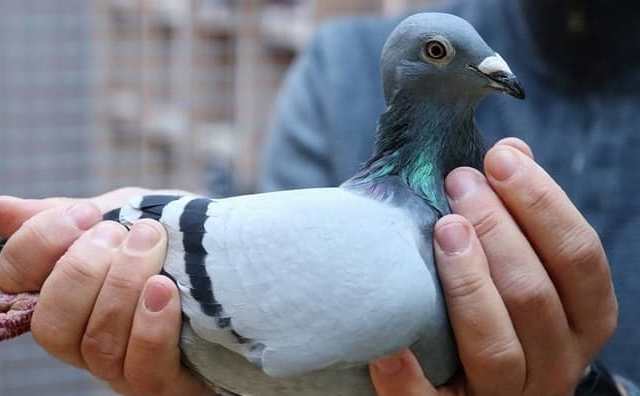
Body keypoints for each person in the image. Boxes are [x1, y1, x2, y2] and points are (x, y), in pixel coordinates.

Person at [0, 0, 637, 395]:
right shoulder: (339, 67)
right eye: (441, 54)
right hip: (177, 262)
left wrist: (586, 389)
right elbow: (283, 290)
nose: (492, 69)